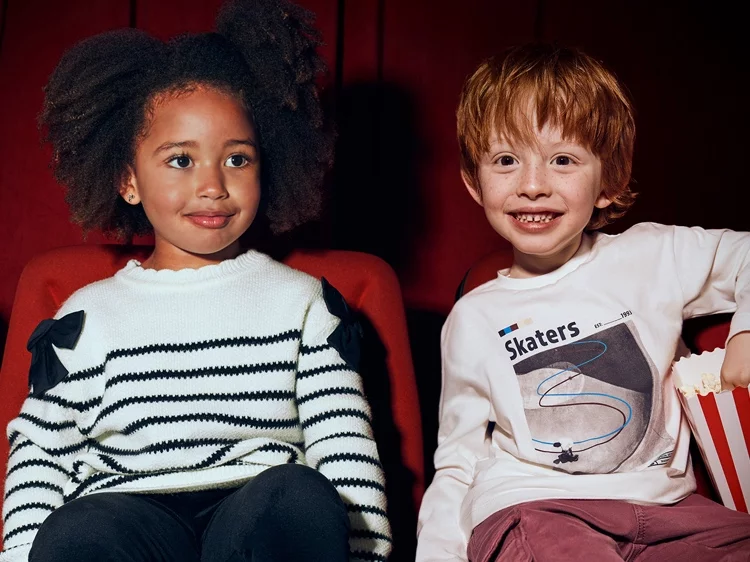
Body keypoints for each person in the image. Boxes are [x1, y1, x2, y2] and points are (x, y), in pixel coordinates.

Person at [0, 1, 391, 561]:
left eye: (238, 160)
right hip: (130, 514)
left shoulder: (304, 302)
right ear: (129, 181)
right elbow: (41, 454)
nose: (213, 185)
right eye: (181, 160)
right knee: (77, 529)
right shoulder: (85, 318)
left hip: (253, 513)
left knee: (299, 496)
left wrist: (365, 553)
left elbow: (343, 439)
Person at [416, 43, 750, 561]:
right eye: (506, 160)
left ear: (608, 181)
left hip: (669, 512)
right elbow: (458, 461)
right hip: (536, 508)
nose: (532, 185)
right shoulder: (473, 318)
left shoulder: (652, 255)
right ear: (474, 183)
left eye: (563, 160)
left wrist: (746, 333)